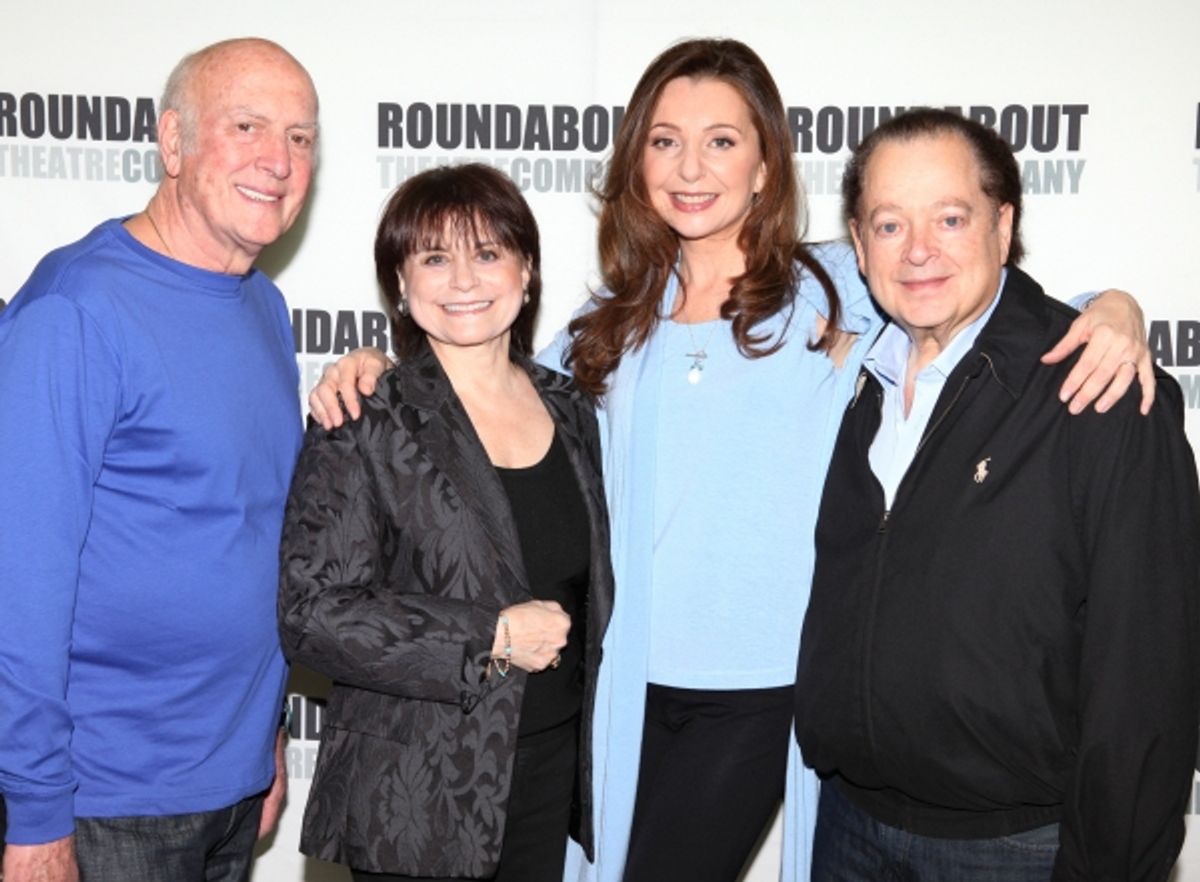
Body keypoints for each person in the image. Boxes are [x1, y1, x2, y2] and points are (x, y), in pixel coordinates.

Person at [307, 40, 1155, 882]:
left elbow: (981, 300)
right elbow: (481, 380)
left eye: (722, 141)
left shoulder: (836, 284)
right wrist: (380, 367)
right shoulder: (609, 322)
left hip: (760, 689)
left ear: (763, 167)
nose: (691, 166)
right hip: (621, 685)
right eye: (665, 140)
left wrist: (1113, 309)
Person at [794, 108, 1200, 882]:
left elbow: (1145, 677)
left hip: (1018, 850)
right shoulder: (857, 383)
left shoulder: (1098, 390)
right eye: (889, 225)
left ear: (1002, 225)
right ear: (858, 242)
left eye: (950, 218)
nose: (918, 250)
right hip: (848, 826)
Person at [0, 38, 318, 882]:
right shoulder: (76, 309)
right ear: (172, 143)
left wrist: (268, 741)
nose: (278, 161)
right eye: (246, 126)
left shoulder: (264, 306)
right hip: (105, 804)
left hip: (233, 784)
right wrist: (35, 815)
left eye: (299, 137)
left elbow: (253, 538)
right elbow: (19, 583)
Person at [278, 163, 614, 882]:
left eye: (488, 253)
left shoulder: (571, 407)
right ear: (401, 283)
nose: (464, 279)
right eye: (434, 257)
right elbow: (312, 614)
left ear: (526, 272)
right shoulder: (364, 416)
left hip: (549, 770)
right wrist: (491, 636)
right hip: (417, 793)